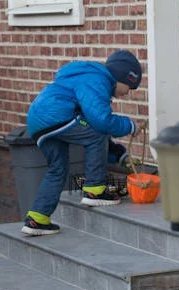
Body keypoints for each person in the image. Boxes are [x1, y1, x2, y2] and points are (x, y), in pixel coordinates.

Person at [22, 50, 142, 236]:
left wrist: (120, 154)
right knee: (96, 133)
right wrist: (130, 126)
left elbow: (92, 124)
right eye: (130, 87)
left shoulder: (89, 79)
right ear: (122, 76)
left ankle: (37, 219)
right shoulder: (98, 80)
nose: (129, 93)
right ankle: (94, 190)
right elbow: (101, 122)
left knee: (58, 168)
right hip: (56, 115)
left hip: (39, 121)